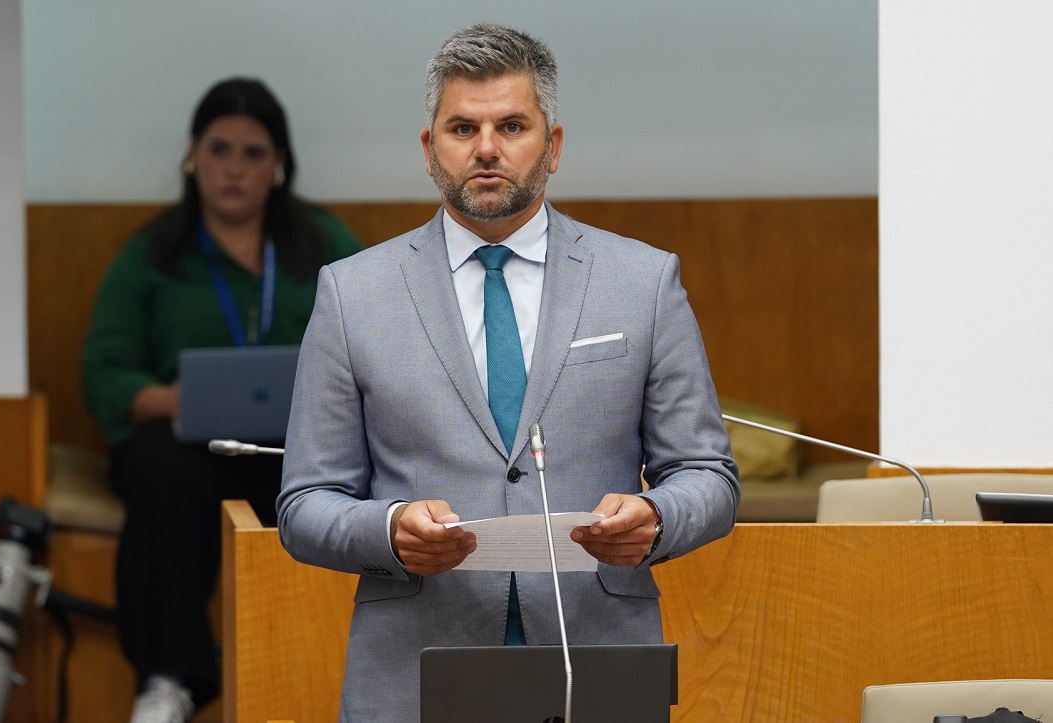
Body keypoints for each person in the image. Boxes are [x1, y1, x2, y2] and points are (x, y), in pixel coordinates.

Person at [276, 24, 739, 722]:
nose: (486, 148)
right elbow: (305, 503)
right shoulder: (352, 293)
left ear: (553, 146)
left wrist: (657, 517)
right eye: (463, 128)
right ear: (429, 149)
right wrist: (389, 529)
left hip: (596, 658)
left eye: (512, 126)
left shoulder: (643, 282)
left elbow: (710, 476)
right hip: (413, 668)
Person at [81, 77, 362, 723]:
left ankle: (331, 669)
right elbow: (104, 372)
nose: (234, 169)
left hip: (296, 446)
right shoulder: (153, 254)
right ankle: (168, 682)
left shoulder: (323, 244)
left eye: (253, 153)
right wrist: (168, 399)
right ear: (192, 155)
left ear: (279, 164)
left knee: (341, 473)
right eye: (219, 150)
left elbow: (378, 343)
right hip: (187, 450)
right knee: (160, 464)